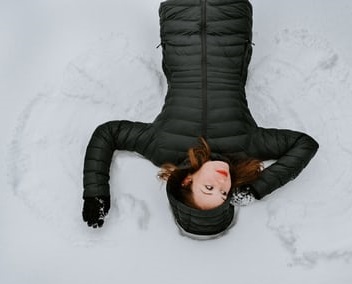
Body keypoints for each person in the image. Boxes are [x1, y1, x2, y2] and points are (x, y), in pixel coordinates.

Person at [82, 0, 319, 238]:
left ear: (186, 181)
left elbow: (108, 133)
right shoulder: (247, 147)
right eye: (225, 194)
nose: (223, 184)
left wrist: (96, 193)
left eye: (209, 188)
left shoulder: (160, 146)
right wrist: (257, 188)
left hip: (181, 16)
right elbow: (304, 144)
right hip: (230, 15)